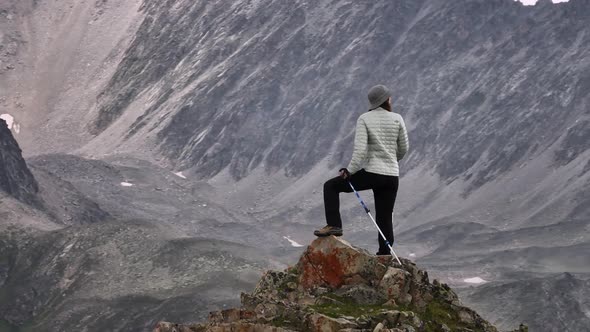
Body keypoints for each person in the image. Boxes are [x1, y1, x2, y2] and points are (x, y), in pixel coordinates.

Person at [314, 84, 409, 255]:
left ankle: (334, 225)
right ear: (386, 99)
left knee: (331, 186)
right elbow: (404, 148)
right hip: (392, 176)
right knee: (384, 215)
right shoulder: (398, 118)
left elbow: (360, 152)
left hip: (373, 173)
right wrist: (392, 161)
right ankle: (385, 253)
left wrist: (349, 171)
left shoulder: (364, 119)